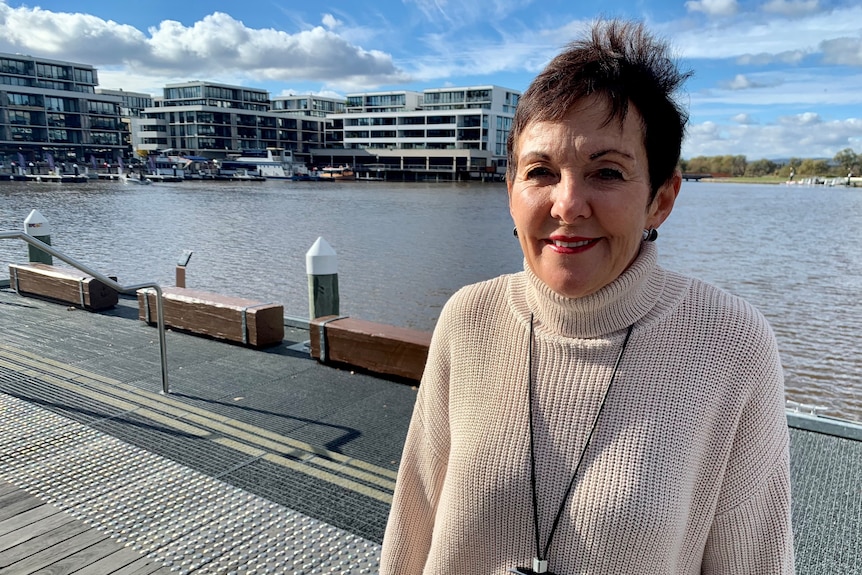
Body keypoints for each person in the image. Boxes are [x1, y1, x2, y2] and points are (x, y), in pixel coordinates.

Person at [380, 19, 794, 575]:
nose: (567, 204)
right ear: (511, 191)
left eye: (607, 171)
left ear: (661, 198)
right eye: (541, 172)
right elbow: (415, 520)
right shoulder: (467, 318)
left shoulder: (731, 343)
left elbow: (757, 560)